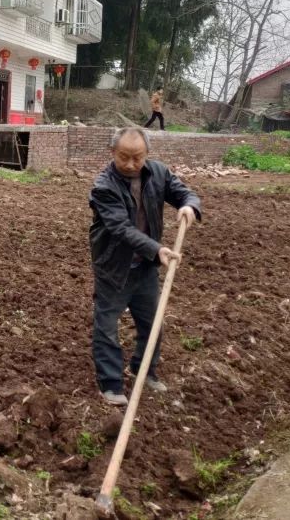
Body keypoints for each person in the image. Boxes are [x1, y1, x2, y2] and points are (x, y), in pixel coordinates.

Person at [88, 127, 200, 406]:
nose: (130, 164)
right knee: (107, 326)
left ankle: (143, 370)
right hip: (114, 267)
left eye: (137, 158)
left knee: (152, 324)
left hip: (145, 267)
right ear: (113, 153)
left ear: (147, 155)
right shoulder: (104, 186)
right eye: (123, 157)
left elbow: (184, 193)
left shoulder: (158, 173)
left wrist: (189, 207)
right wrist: (157, 248)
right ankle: (111, 385)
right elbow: (121, 228)